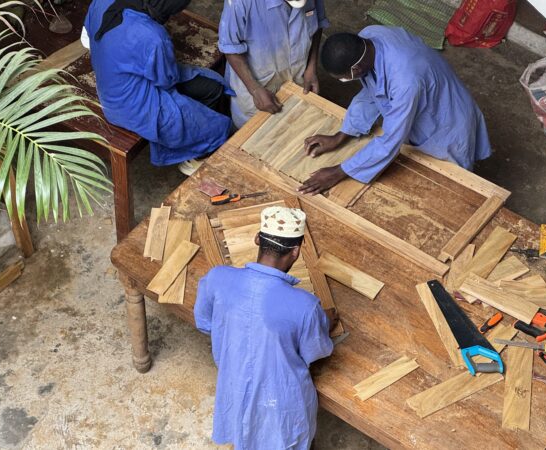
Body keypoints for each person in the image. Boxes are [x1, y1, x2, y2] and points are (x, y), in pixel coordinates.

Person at [195, 206, 336, 449]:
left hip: (234, 386)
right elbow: (315, 352)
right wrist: (323, 323)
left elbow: (205, 322)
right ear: (296, 252)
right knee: (285, 439)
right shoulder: (307, 306)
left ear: (258, 238)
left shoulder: (217, 277)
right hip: (283, 403)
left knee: (244, 432)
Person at [299, 27, 492, 195]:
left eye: (343, 77)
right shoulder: (370, 36)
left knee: (451, 185)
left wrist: (339, 172)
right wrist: (341, 136)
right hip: (425, 94)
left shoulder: (405, 82)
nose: (345, 80)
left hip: (447, 122)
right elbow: (372, 92)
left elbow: (391, 140)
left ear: (356, 69)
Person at [83, 0, 232, 176]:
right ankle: (196, 158)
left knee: (213, 86)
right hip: (126, 105)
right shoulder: (153, 37)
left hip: (112, 76)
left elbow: (88, 37)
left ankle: (196, 143)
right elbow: (166, 80)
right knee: (216, 129)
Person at [218, 0, 329, 128]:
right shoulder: (241, 3)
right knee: (255, 135)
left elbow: (317, 24)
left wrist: (311, 67)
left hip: (298, 78)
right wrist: (255, 90)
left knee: (293, 129)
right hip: (257, 86)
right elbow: (230, 47)